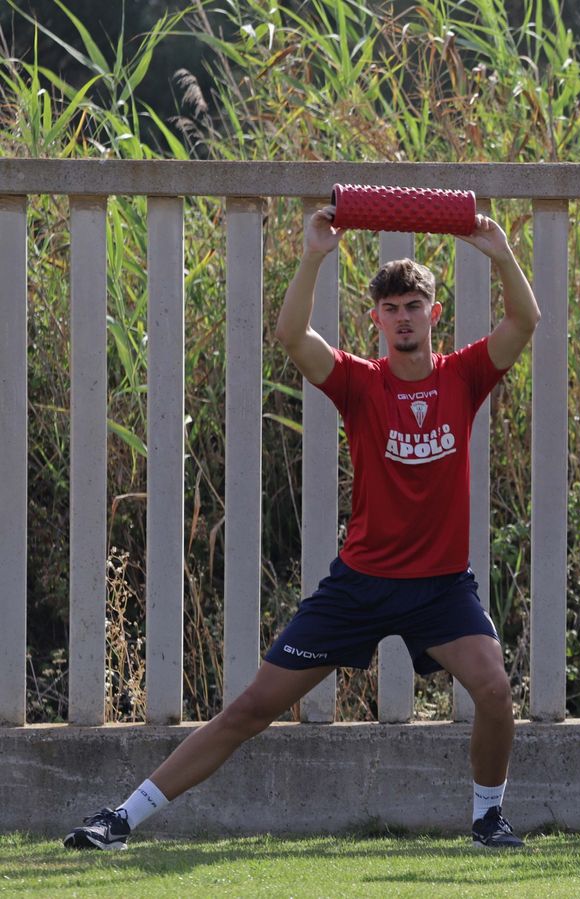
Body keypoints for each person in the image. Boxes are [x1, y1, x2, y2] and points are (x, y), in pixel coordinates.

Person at [64, 205, 540, 851]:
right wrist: (315, 252)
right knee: (252, 708)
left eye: (414, 305)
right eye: (391, 307)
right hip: (361, 585)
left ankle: (488, 818)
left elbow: (524, 321)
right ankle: (121, 818)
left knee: (493, 686)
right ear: (376, 319)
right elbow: (291, 335)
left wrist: (502, 252)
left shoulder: (465, 376)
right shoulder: (361, 383)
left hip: (440, 588)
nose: (403, 316)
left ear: (434, 313)